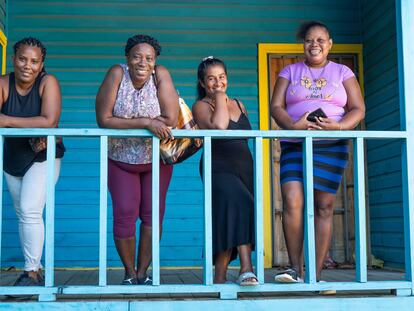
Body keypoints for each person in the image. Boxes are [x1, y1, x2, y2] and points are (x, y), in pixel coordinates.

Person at [270, 21, 365, 284]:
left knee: (324, 206)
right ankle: (294, 269)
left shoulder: (343, 72)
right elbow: (275, 106)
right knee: (292, 201)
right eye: (310, 40)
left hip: (331, 144)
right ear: (303, 45)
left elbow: (358, 108)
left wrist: (340, 126)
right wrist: (292, 124)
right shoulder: (289, 71)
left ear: (330, 44)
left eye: (320, 40)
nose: (315, 45)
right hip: (295, 143)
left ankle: (315, 274)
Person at [95, 34, 179, 285]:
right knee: (124, 213)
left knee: (153, 215)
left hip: (157, 159)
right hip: (120, 158)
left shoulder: (160, 74)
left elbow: (171, 118)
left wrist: (138, 124)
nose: (143, 62)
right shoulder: (116, 74)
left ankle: (143, 272)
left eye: (149, 58)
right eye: (137, 57)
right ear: (127, 58)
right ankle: (130, 273)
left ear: (155, 61)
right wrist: (147, 123)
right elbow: (104, 119)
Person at [0, 37, 64, 287]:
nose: (28, 65)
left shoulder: (48, 82)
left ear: (41, 64)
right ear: (13, 59)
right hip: (13, 156)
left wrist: (6, 120)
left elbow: (48, 121)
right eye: (23, 59)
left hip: (43, 155)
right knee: (23, 214)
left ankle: (30, 273)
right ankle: (36, 267)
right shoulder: (4, 83)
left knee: (29, 210)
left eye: (34, 61)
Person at [192, 57, 258, 286]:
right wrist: (219, 96)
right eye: (211, 78)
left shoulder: (240, 104)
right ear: (202, 82)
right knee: (241, 204)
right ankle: (247, 268)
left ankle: (219, 277)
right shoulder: (201, 106)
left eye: (221, 77)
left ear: (227, 78)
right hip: (217, 167)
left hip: (244, 167)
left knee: (229, 217)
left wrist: (224, 97)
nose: (218, 82)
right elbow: (220, 127)